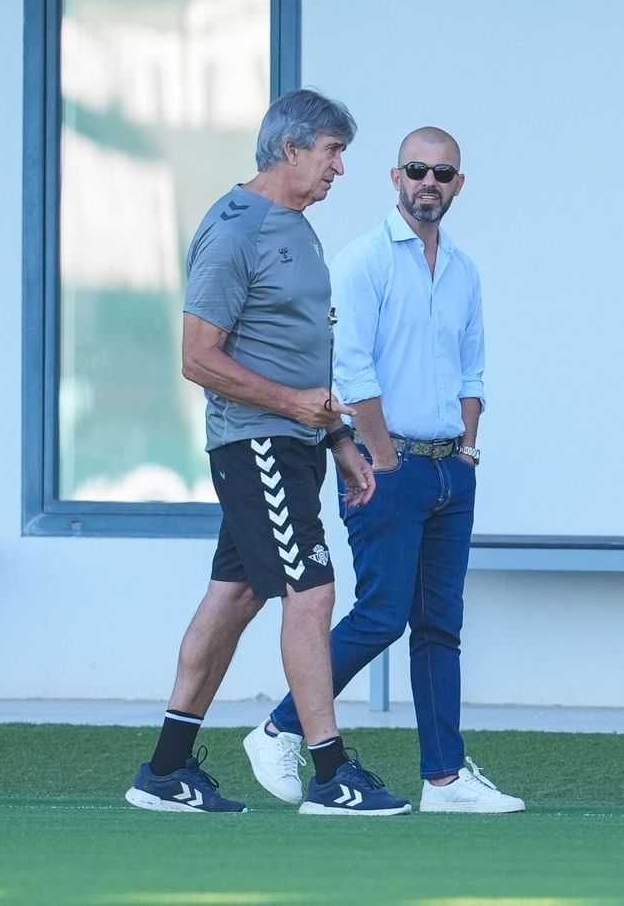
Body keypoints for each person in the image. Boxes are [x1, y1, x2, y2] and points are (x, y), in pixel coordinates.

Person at [125, 89, 409, 816]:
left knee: (236, 594)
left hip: (295, 440)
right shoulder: (233, 231)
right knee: (312, 592)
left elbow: (301, 350)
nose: (340, 168)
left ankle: (164, 772)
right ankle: (331, 774)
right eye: (331, 152)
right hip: (255, 443)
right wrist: (294, 410)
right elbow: (197, 358)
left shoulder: (297, 226)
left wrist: (338, 435)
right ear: (290, 149)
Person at [242, 126, 524, 813]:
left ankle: (445, 779)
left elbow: (473, 369)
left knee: (439, 626)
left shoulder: (462, 269)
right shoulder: (363, 260)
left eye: (444, 173)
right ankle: (279, 728)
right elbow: (350, 366)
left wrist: (468, 452)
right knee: (382, 615)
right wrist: (385, 459)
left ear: (459, 185)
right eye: (418, 170)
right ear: (395, 177)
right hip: (383, 465)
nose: (431, 182)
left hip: (450, 472)